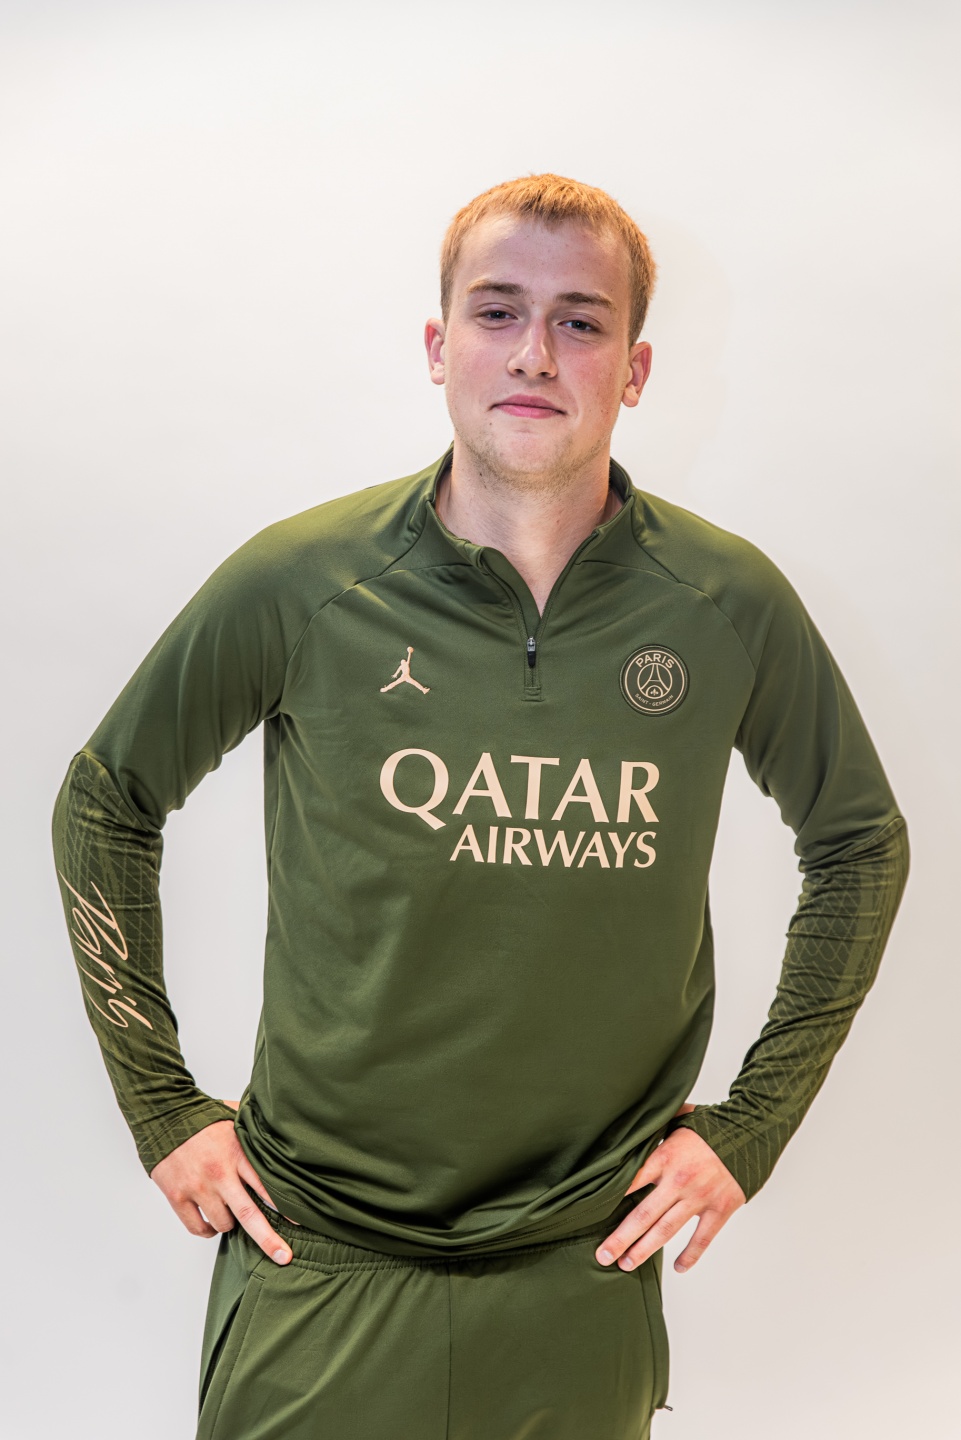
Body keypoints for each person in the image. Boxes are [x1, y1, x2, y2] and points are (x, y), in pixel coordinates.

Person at [51, 173, 909, 1440]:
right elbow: (106, 802)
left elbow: (857, 845)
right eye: (497, 310)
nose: (533, 352)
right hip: (317, 1253)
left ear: (635, 369)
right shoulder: (306, 582)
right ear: (438, 344)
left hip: (582, 1263)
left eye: (580, 320)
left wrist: (753, 1124)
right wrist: (161, 1105)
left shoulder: (725, 605)